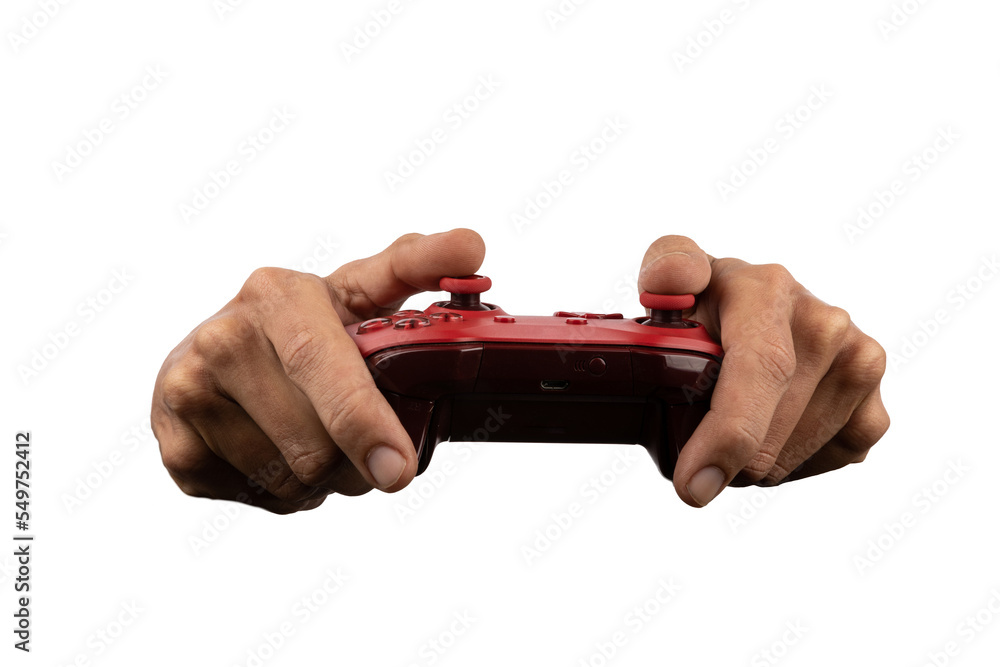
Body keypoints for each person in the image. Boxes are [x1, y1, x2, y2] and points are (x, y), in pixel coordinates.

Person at [151, 229, 889, 513]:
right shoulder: (352, 343)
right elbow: (220, 362)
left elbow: (835, 364)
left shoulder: (727, 337)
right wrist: (199, 385)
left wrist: (827, 371)